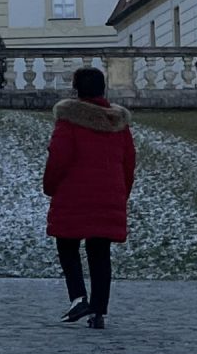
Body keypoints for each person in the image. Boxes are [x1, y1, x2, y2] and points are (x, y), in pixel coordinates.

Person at [44, 66, 136, 332]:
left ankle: (78, 297)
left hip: (73, 195)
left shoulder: (69, 120)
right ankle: (98, 311)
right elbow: (128, 162)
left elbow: (58, 158)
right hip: (109, 194)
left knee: (67, 245)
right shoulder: (118, 124)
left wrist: (49, 187)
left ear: (76, 90)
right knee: (100, 252)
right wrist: (121, 194)